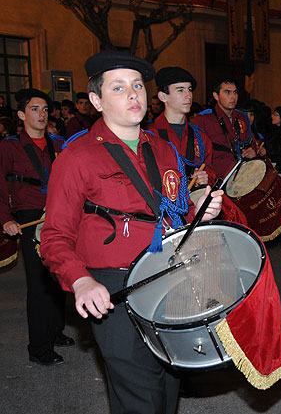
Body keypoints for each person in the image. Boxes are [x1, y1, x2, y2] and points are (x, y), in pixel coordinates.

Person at [40, 51, 224, 413]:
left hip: (167, 278)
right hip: (113, 287)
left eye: (138, 86)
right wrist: (80, 281)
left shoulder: (165, 150)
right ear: (96, 100)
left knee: (168, 384)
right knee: (138, 395)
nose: (133, 95)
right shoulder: (76, 157)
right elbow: (55, 235)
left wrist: (199, 212)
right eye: (119, 87)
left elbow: (174, 216)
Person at [0, 88, 69, 366]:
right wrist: (6, 218)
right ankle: (39, 347)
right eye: (34, 109)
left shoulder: (59, 144)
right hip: (28, 217)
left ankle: (55, 332)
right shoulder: (9, 146)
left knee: (59, 276)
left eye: (44, 109)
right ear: (20, 114)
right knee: (39, 283)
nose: (42, 114)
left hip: (56, 214)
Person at [147, 66, 213, 187]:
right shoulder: (149, 136)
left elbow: (210, 170)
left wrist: (205, 177)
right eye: (180, 90)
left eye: (190, 89)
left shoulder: (200, 137)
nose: (188, 95)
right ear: (163, 96)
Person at [191, 78, 265, 178]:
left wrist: (253, 152)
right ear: (216, 96)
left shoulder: (242, 117)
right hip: (216, 179)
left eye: (235, 92)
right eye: (227, 92)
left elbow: (252, 144)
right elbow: (193, 154)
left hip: (242, 175)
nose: (233, 97)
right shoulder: (202, 120)